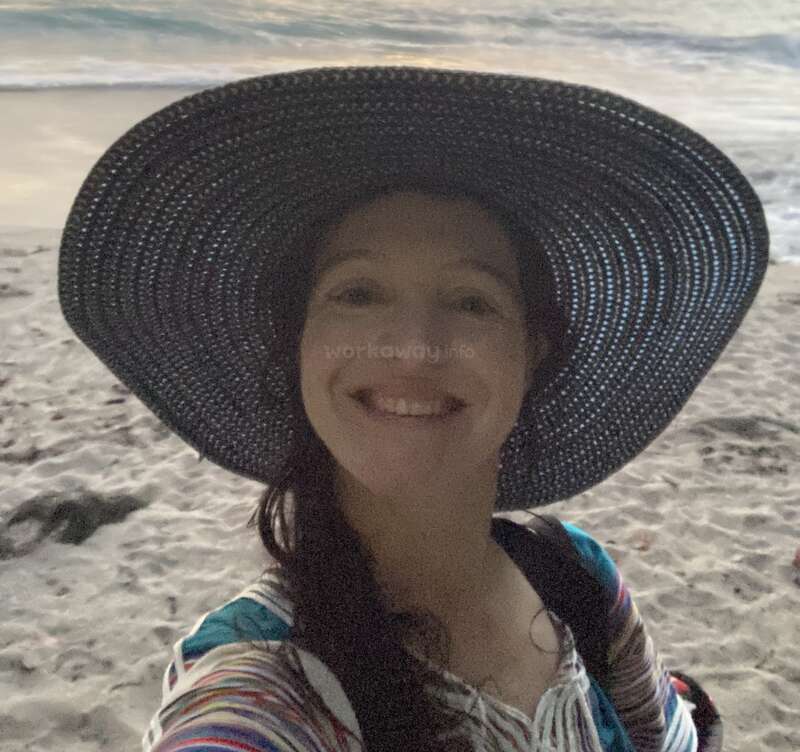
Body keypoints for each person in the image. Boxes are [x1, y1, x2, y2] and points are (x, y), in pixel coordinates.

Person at [58, 65, 767, 751]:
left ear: (534, 352)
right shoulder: (262, 683)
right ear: (297, 338)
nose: (412, 349)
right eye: (358, 292)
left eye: (471, 301)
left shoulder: (577, 577)